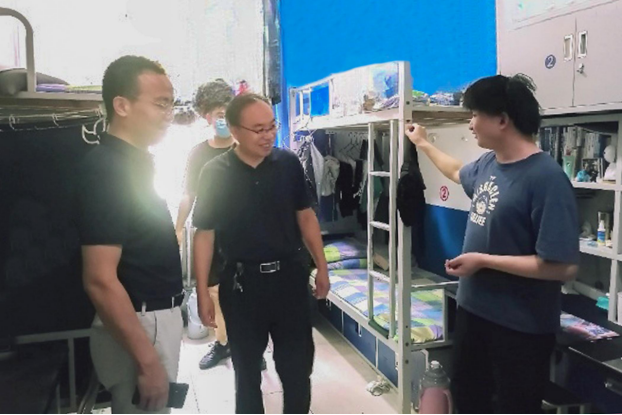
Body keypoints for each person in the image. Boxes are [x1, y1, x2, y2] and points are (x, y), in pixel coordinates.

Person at [406, 74, 579, 414]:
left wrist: (484, 260)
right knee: (468, 401)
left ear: (502, 120)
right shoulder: (489, 164)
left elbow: (563, 266)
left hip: (519, 328)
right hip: (474, 313)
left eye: (475, 115)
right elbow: (456, 171)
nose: (470, 124)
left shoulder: (546, 179)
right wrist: (422, 143)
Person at [192, 93, 330, 414]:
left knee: (297, 369)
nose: (268, 135)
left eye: (272, 127)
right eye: (258, 129)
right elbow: (204, 234)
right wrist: (202, 292)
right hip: (241, 285)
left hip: (289, 280)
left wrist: (322, 267)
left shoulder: (288, 164)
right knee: (246, 372)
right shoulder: (215, 172)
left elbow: (305, 216)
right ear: (235, 130)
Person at [77, 56, 183, 414]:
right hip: (140, 322)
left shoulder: (133, 164)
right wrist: (147, 361)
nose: (169, 114)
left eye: (171, 104)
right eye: (160, 104)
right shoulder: (108, 170)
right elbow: (100, 279)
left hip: (152, 318)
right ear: (121, 105)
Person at [174, 79, 246, 370]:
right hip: (210, 235)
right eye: (217, 113)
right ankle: (223, 343)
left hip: (244, 233)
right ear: (206, 116)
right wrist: (178, 228)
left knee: (248, 291)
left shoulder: (246, 148)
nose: (223, 118)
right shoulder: (198, 154)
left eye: (227, 111)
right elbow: (188, 194)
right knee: (215, 292)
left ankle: (249, 347)